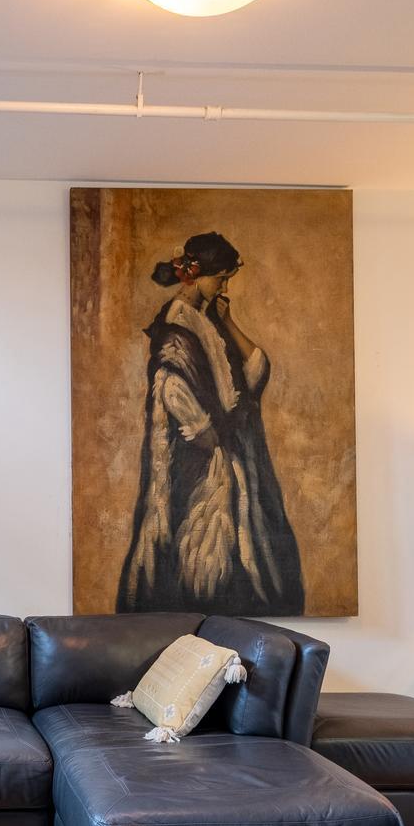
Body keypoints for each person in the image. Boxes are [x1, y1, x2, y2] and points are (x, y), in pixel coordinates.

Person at [117, 232, 305, 614]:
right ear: (199, 275)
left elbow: (254, 373)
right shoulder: (177, 322)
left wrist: (229, 321)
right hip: (199, 464)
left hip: (228, 453)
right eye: (221, 278)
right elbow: (170, 384)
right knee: (200, 559)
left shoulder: (207, 321)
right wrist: (207, 435)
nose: (224, 286)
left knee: (247, 552)